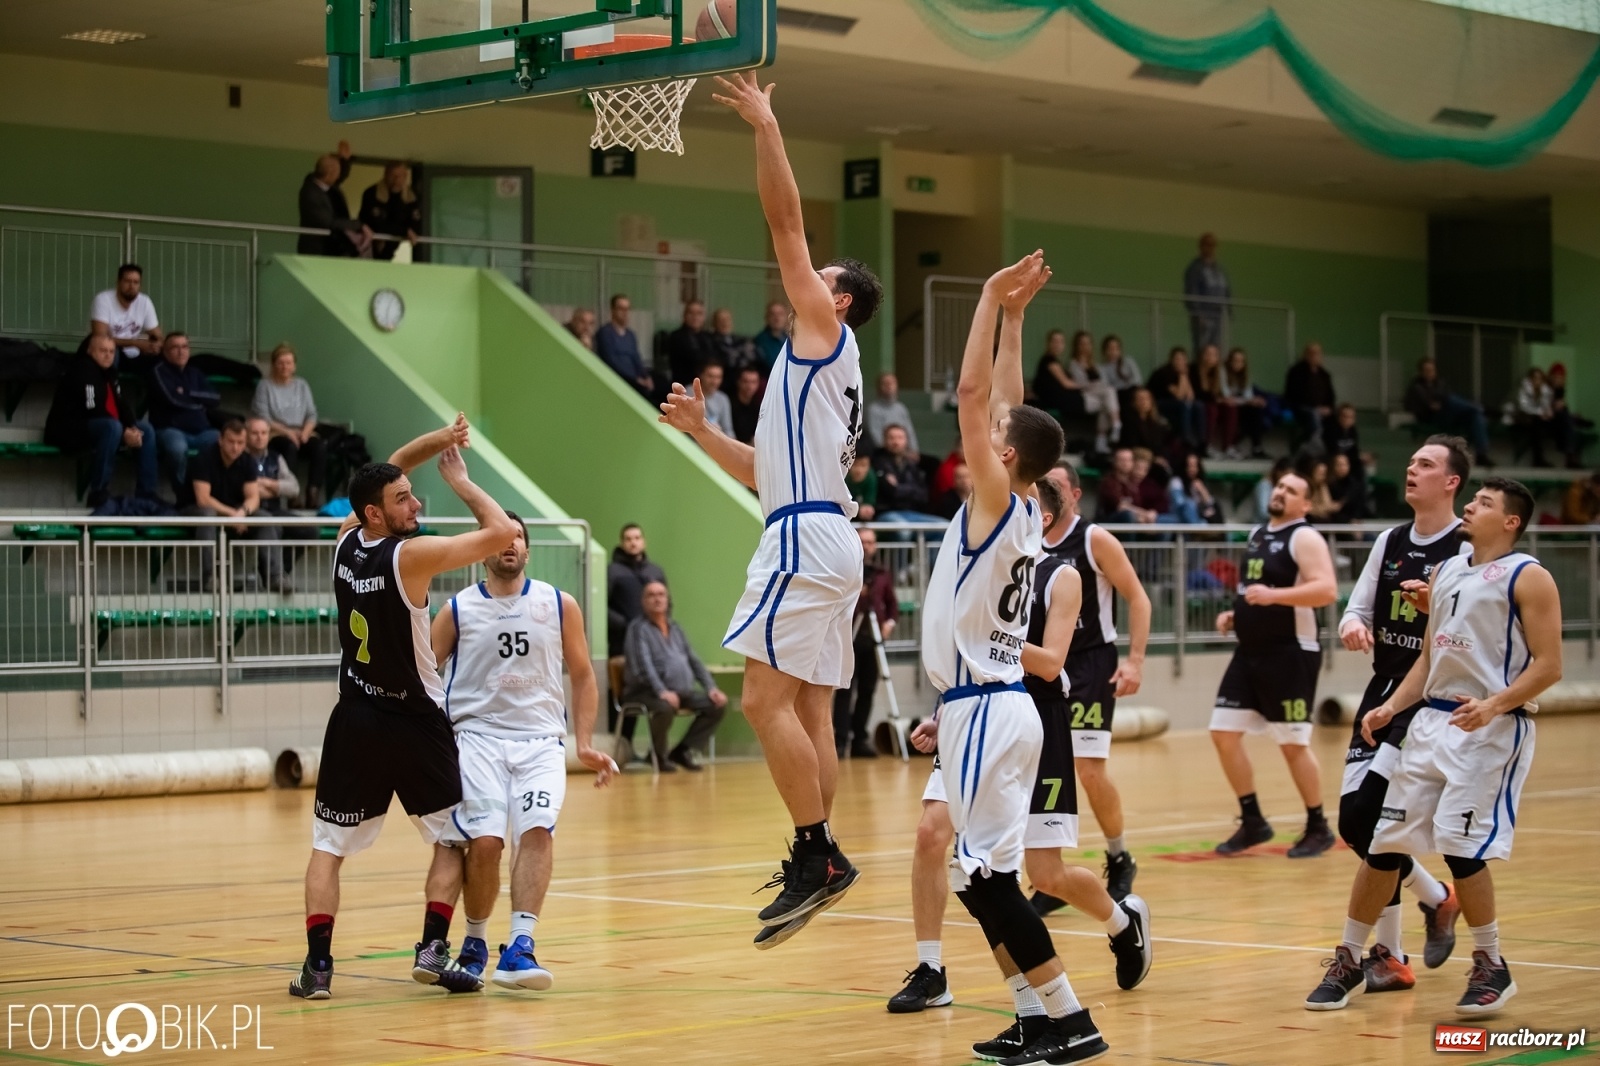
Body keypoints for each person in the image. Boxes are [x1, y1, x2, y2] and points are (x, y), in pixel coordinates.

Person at [658, 71, 883, 950]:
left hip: (804, 540)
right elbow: (766, 472)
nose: (803, 279)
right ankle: (819, 853)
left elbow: (786, 224)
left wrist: (766, 124)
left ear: (841, 299)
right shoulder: (814, 371)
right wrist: (702, 432)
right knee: (811, 711)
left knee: (757, 701)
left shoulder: (825, 331)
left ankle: (817, 853)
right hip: (824, 529)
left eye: (821, 279)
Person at [913, 252, 1118, 1064]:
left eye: (994, 440)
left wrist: (987, 299)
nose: (984, 435)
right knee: (985, 877)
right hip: (996, 706)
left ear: (1003, 459)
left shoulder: (997, 502)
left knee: (985, 880)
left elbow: (975, 396)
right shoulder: (1026, 504)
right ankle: (1037, 1016)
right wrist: (1016, 319)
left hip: (987, 708)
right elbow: (1007, 403)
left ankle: (1070, 1019)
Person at [893, 473, 1151, 1034]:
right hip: (972, 718)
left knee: (1045, 874)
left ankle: (1120, 924)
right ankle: (937, 971)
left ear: (1043, 519)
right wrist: (942, 713)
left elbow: (1050, 664)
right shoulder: (985, 566)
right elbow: (967, 659)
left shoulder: (1062, 575)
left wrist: (991, 638)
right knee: (937, 839)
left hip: (1035, 720)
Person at [1306, 477, 1559, 1016]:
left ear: (1511, 521)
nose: (1470, 506)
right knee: (1383, 844)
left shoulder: (1529, 576)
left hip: (1487, 728)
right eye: (1473, 499)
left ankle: (1491, 964)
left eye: (1484, 503)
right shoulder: (1445, 572)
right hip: (1428, 723)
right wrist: (1391, 706)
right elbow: (1428, 657)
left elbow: (1549, 666)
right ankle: (1349, 959)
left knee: (1461, 850)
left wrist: (1494, 704)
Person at [291, 415, 524, 1001]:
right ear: (376, 513)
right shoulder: (411, 556)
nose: (415, 502)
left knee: (327, 847)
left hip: (355, 716)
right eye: (403, 499)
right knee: (452, 839)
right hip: (415, 721)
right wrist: (461, 481)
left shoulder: (346, 539)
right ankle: (432, 949)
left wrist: (441, 439)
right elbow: (500, 532)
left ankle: (317, 968)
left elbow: (391, 464)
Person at [430, 512, 610, 993]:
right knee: (486, 843)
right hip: (477, 739)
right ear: (481, 550)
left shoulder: (559, 604)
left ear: (528, 550)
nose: (510, 545)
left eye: (518, 538)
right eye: (500, 538)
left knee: (537, 831)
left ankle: (520, 947)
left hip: (541, 742)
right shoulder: (457, 609)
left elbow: (583, 675)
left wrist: (584, 743)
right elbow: (424, 675)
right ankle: (474, 943)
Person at [1323, 435, 1473, 1004]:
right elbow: (1356, 607)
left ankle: (1389, 953)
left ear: (1451, 482)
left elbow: (1473, 628)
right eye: (1410, 462)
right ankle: (1434, 901)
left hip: (1429, 698)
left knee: (1373, 820)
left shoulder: (1465, 547)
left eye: (1425, 464)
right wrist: (1353, 626)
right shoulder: (1389, 540)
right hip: (1382, 689)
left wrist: (1435, 608)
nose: (1412, 470)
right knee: (1356, 825)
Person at [1030, 461, 1152, 911]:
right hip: (1041, 668)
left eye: (1057, 484)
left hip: (1089, 664)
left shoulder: (1094, 538)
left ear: (1076, 495)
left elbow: (1138, 598)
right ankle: (1051, 874)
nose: (1047, 490)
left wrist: (1135, 661)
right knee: (1040, 767)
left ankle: (1119, 857)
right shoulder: (1028, 542)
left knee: (1088, 769)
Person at [1210, 469, 1338, 858]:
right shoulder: (1257, 534)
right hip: (1250, 652)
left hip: (1290, 653)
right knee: (1223, 732)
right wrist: (1236, 614)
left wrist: (1275, 596)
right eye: (1279, 486)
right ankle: (1253, 821)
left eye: (1291, 490)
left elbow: (1326, 590)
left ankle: (1318, 825)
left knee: (1292, 743)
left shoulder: (1305, 537)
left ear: (1306, 504)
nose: (1281, 492)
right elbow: (1252, 591)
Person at [622, 580, 729, 772]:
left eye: (661, 594)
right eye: (651, 595)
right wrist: (661, 691)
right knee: (664, 707)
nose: (657, 599)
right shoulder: (638, 629)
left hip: (679, 692)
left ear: (667, 599)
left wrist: (711, 687)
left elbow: (694, 660)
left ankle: (682, 751)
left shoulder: (675, 628)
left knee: (716, 705)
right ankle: (658, 755)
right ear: (643, 601)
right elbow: (644, 666)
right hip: (644, 692)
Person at [44, 334, 160, 506]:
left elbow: (121, 405)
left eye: (112, 352)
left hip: (103, 426)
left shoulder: (110, 372)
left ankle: (147, 494)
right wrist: (124, 433)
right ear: (90, 351)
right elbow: (94, 409)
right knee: (112, 427)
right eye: (103, 351)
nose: (108, 355)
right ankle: (98, 492)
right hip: (69, 430)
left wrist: (132, 428)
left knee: (146, 431)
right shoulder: (82, 369)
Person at [188, 419, 281, 592]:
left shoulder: (247, 461)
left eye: (240, 443)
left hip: (233, 510)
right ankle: (209, 577)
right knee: (208, 514)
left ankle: (274, 576)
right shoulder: (204, 458)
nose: (236, 447)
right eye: (231, 442)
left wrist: (242, 513)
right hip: (194, 510)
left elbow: (253, 498)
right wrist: (233, 514)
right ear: (220, 440)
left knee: (264, 518)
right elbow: (203, 499)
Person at [832, 527, 897, 758]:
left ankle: (860, 738)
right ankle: (839, 740)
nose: (866, 546)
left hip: (873, 639)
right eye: (862, 542)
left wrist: (889, 623)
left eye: (870, 542)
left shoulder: (882, 574)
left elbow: (892, 604)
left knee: (867, 690)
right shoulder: (845, 570)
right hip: (849, 637)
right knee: (844, 690)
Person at [252, 343, 326, 508]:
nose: (285, 367)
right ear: (274, 364)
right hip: (275, 433)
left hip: (301, 432)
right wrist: (288, 432)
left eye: (288, 363)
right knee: (289, 447)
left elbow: (312, 414)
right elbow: (263, 417)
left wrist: (305, 433)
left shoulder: (302, 385)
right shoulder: (265, 386)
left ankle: (313, 492)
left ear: (294, 365)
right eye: (281, 363)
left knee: (319, 447)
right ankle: (293, 495)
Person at [148, 332, 220, 498]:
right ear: (165, 352)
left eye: (184, 347)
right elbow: (172, 399)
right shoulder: (158, 371)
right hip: (170, 429)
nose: (181, 352)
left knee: (225, 442)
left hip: (201, 431)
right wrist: (199, 402)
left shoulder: (195, 373)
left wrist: (187, 392)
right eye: (175, 347)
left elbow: (215, 398)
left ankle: (212, 494)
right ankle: (183, 495)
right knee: (177, 449)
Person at [1404, 358, 1492, 466]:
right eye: (1427, 370)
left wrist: (1439, 401)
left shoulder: (1440, 383)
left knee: (1475, 416)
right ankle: (1482, 409)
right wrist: (1429, 404)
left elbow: (1444, 397)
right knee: (1453, 401)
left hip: (1448, 412)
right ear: (1421, 372)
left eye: (1432, 370)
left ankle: (1481, 454)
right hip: (1432, 417)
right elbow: (1415, 405)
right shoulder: (1416, 387)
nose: (1430, 373)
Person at [297, 141, 371, 257]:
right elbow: (329, 222)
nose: (338, 176)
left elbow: (339, 176)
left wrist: (344, 160)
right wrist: (358, 225)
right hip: (317, 251)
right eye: (337, 173)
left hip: (332, 248)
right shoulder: (311, 194)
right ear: (329, 175)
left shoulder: (323, 184)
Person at [605, 523, 667, 659]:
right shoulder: (612, 571)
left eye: (637, 538)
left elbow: (667, 603)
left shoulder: (655, 571)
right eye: (628, 539)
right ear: (622, 543)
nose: (633, 543)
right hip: (622, 642)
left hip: (653, 640)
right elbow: (602, 606)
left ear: (644, 542)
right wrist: (623, 624)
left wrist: (661, 626)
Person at [89, 263, 162, 362]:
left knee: (162, 353)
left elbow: (157, 334)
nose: (132, 286)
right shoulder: (103, 300)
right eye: (127, 281)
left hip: (135, 352)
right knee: (110, 350)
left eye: (136, 282)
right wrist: (136, 343)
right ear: (118, 283)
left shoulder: (145, 301)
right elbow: (101, 338)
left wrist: (157, 344)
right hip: (113, 350)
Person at [1066, 331, 1123, 454]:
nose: (1085, 347)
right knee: (1110, 391)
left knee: (1106, 403)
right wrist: (1094, 384)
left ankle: (1100, 441)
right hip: (1085, 397)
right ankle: (1116, 423)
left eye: (1088, 344)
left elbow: (1103, 381)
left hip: (1098, 397)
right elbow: (1080, 383)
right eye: (1082, 344)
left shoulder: (1095, 364)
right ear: (1077, 346)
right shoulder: (1073, 364)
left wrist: (1097, 384)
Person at [873, 425, 941, 524]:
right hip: (887, 513)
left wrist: (899, 487)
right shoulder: (877, 461)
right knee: (903, 528)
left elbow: (923, 495)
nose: (896, 442)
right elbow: (891, 492)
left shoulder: (912, 464)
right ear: (884, 440)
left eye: (900, 438)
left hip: (912, 513)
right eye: (891, 438)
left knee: (942, 525)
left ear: (906, 440)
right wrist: (911, 490)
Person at [358, 160, 422, 261]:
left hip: (391, 248)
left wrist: (407, 232)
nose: (396, 180)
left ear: (405, 176)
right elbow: (377, 225)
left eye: (400, 176)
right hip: (367, 248)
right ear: (386, 175)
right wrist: (404, 231)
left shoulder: (411, 196)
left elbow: (416, 224)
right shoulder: (372, 194)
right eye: (393, 176)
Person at [1513, 366, 1575, 468]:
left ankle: (1570, 454)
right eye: (1535, 378)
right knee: (1536, 423)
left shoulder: (1546, 390)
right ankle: (1538, 459)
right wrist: (1541, 412)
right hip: (1524, 419)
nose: (1537, 381)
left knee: (1564, 414)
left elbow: (1547, 406)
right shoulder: (1524, 390)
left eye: (1540, 378)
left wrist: (1550, 410)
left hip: (1541, 419)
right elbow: (1524, 407)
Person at [595, 294, 654, 401]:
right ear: (613, 310)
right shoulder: (605, 333)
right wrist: (637, 379)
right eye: (621, 309)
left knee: (662, 383)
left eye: (627, 309)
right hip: (619, 380)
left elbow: (636, 358)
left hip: (636, 379)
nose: (625, 313)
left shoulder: (630, 335)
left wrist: (646, 377)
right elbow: (612, 362)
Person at [1147, 348, 1205, 453]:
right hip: (1158, 402)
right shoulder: (1164, 372)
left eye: (1183, 359)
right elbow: (1179, 396)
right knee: (1184, 405)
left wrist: (1185, 376)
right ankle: (1186, 438)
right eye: (1177, 359)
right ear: (1171, 360)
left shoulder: (1187, 373)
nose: (1180, 362)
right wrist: (1182, 375)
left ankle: (1202, 441)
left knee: (1198, 405)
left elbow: (1190, 397)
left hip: (1176, 404)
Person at [1184, 232, 1230, 359]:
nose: (1211, 248)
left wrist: (1229, 312)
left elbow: (1226, 291)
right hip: (1203, 317)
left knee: (1218, 351)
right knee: (1203, 350)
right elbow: (1191, 292)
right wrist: (1198, 314)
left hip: (1219, 316)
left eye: (1213, 245)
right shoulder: (1195, 268)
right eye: (1208, 245)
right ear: (1201, 247)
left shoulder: (1219, 269)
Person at [243, 416, 299, 519]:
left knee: (308, 526)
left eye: (264, 433)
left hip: (275, 511)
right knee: (270, 523)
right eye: (255, 433)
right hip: (250, 512)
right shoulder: (240, 458)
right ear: (246, 435)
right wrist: (278, 491)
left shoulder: (276, 457)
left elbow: (294, 488)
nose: (260, 437)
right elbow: (240, 490)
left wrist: (267, 483)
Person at [1217, 347, 1268, 458]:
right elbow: (1227, 397)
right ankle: (1231, 445)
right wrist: (1247, 401)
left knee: (1255, 410)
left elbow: (1248, 396)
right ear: (1230, 361)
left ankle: (1257, 447)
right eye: (1235, 360)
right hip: (1224, 405)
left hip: (1238, 405)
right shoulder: (1222, 372)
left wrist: (1253, 401)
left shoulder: (1245, 375)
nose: (1238, 363)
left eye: (1241, 361)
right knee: (1237, 410)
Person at [1284, 342, 1336, 446]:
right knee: (1314, 415)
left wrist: (1328, 407)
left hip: (1322, 408)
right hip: (1300, 407)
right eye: (1312, 353)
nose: (1315, 356)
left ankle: (1334, 448)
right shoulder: (1296, 372)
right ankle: (1315, 446)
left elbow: (1331, 395)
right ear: (1306, 355)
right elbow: (1294, 394)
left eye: (1317, 353)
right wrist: (1316, 407)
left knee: (1341, 415)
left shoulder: (1324, 374)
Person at [668, 301, 719, 388]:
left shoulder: (709, 337)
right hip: (684, 386)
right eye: (691, 313)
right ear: (684, 316)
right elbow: (693, 360)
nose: (695, 317)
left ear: (704, 317)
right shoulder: (676, 336)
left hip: (708, 385)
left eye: (699, 313)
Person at [866, 372, 920, 454]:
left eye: (892, 383)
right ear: (879, 387)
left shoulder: (901, 408)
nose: (889, 386)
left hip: (904, 452)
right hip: (882, 453)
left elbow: (909, 431)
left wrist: (914, 450)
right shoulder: (873, 409)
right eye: (885, 383)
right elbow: (875, 435)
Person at [1096, 447, 1147, 524]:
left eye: (1128, 460)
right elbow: (1120, 507)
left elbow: (1137, 504)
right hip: (1109, 520)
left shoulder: (1133, 482)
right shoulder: (1108, 482)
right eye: (1122, 460)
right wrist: (1144, 514)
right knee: (1128, 515)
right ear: (1115, 462)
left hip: (1134, 518)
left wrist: (1144, 516)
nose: (1125, 463)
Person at [1171, 452, 1222, 524]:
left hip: (1200, 518)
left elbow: (1210, 504)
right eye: (1189, 466)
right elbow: (1180, 503)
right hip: (1181, 518)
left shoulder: (1200, 482)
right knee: (1190, 505)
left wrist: (1202, 490)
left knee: (1215, 509)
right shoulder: (1177, 482)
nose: (1192, 469)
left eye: (1195, 466)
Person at [1119, 387, 1170, 456]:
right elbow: (1131, 446)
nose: (1144, 402)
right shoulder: (1128, 424)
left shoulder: (1157, 423)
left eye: (1147, 398)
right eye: (1140, 399)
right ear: (1133, 402)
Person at [1099, 333, 1142, 410]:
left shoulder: (1128, 361)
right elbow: (1106, 384)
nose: (1113, 351)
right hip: (1117, 393)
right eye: (1110, 348)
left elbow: (1137, 379)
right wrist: (1121, 388)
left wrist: (1128, 386)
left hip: (1132, 390)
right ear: (1105, 351)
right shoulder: (1102, 368)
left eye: (1116, 348)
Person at [1193, 343, 1222, 451]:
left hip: (1211, 402)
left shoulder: (1218, 373)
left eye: (1214, 354)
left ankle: (1229, 446)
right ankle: (1206, 444)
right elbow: (1197, 393)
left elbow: (1219, 393)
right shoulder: (1194, 370)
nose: (1210, 357)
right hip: (1198, 402)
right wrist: (1217, 399)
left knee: (1230, 408)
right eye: (1208, 354)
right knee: (1211, 409)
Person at [697, 362, 735, 437]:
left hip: (716, 440)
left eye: (718, 377)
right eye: (710, 376)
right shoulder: (688, 394)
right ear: (701, 375)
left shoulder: (723, 398)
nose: (714, 381)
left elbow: (728, 430)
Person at [1328, 453, 1368, 523]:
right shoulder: (1328, 485)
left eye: (1345, 464)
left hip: (1354, 523)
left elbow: (1359, 505)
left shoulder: (1355, 485)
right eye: (1339, 465)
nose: (1342, 468)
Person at [1253, 456, 1293, 524]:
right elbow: (1264, 512)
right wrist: (1287, 515)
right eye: (1286, 474)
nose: (1289, 479)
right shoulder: (1265, 485)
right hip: (1263, 525)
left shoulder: (1288, 487)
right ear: (1279, 472)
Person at [753, 300, 790, 371]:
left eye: (780, 314)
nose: (777, 318)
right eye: (773, 314)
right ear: (767, 317)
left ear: (786, 317)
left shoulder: (792, 340)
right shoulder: (759, 341)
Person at [729, 365, 762, 444]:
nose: (750, 386)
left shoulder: (758, 406)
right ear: (738, 382)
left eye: (753, 382)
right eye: (746, 381)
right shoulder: (729, 404)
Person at [846, 454, 878, 521]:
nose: (859, 470)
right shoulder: (842, 479)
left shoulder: (871, 477)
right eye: (855, 465)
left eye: (863, 465)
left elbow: (869, 503)